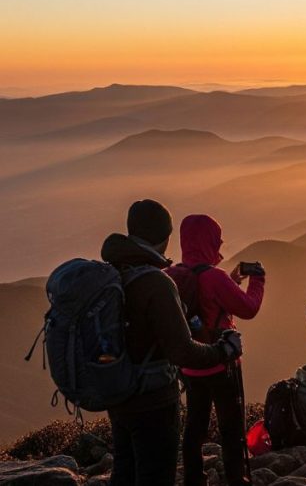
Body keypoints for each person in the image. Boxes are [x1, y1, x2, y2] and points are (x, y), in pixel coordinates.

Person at [101, 200, 242, 486]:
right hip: (153, 399)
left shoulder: (114, 273)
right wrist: (222, 351)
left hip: (118, 392)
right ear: (165, 238)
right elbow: (182, 350)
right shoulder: (157, 282)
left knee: (125, 471)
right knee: (155, 475)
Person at [178, 214, 266, 486]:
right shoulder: (215, 278)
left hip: (190, 364)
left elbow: (202, 302)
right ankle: (237, 479)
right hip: (222, 364)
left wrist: (231, 280)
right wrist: (258, 279)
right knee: (231, 427)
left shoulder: (172, 276)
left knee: (194, 426)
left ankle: (195, 479)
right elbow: (248, 308)